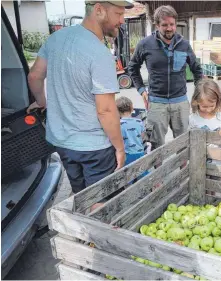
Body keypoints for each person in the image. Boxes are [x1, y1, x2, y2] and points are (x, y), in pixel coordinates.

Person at [26, 0, 133, 198]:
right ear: (99, 10)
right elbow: (106, 110)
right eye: (118, 14)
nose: (121, 21)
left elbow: (34, 76)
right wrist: (119, 148)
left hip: (62, 142)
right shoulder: (99, 52)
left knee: (80, 194)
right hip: (95, 147)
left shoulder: (56, 38)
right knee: (101, 202)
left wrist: (41, 102)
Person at [128, 5, 203, 151]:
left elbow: (197, 70)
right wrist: (142, 90)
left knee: (183, 142)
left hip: (180, 102)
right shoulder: (145, 44)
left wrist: (199, 94)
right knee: (156, 144)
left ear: (175, 23)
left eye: (172, 24)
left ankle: (183, 171)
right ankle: (159, 172)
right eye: (164, 25)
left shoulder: (184, 45)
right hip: (156, 102)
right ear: (157, 25)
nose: (169, 28)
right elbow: (132, 67)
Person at [116, 96, 149, 180]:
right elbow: (142, 136)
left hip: (127, 155)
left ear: (117, 111)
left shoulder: (118, 125)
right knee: (142, 173)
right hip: (139, 152)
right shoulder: (139, 121)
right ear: (132, 108)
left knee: (128, 177)